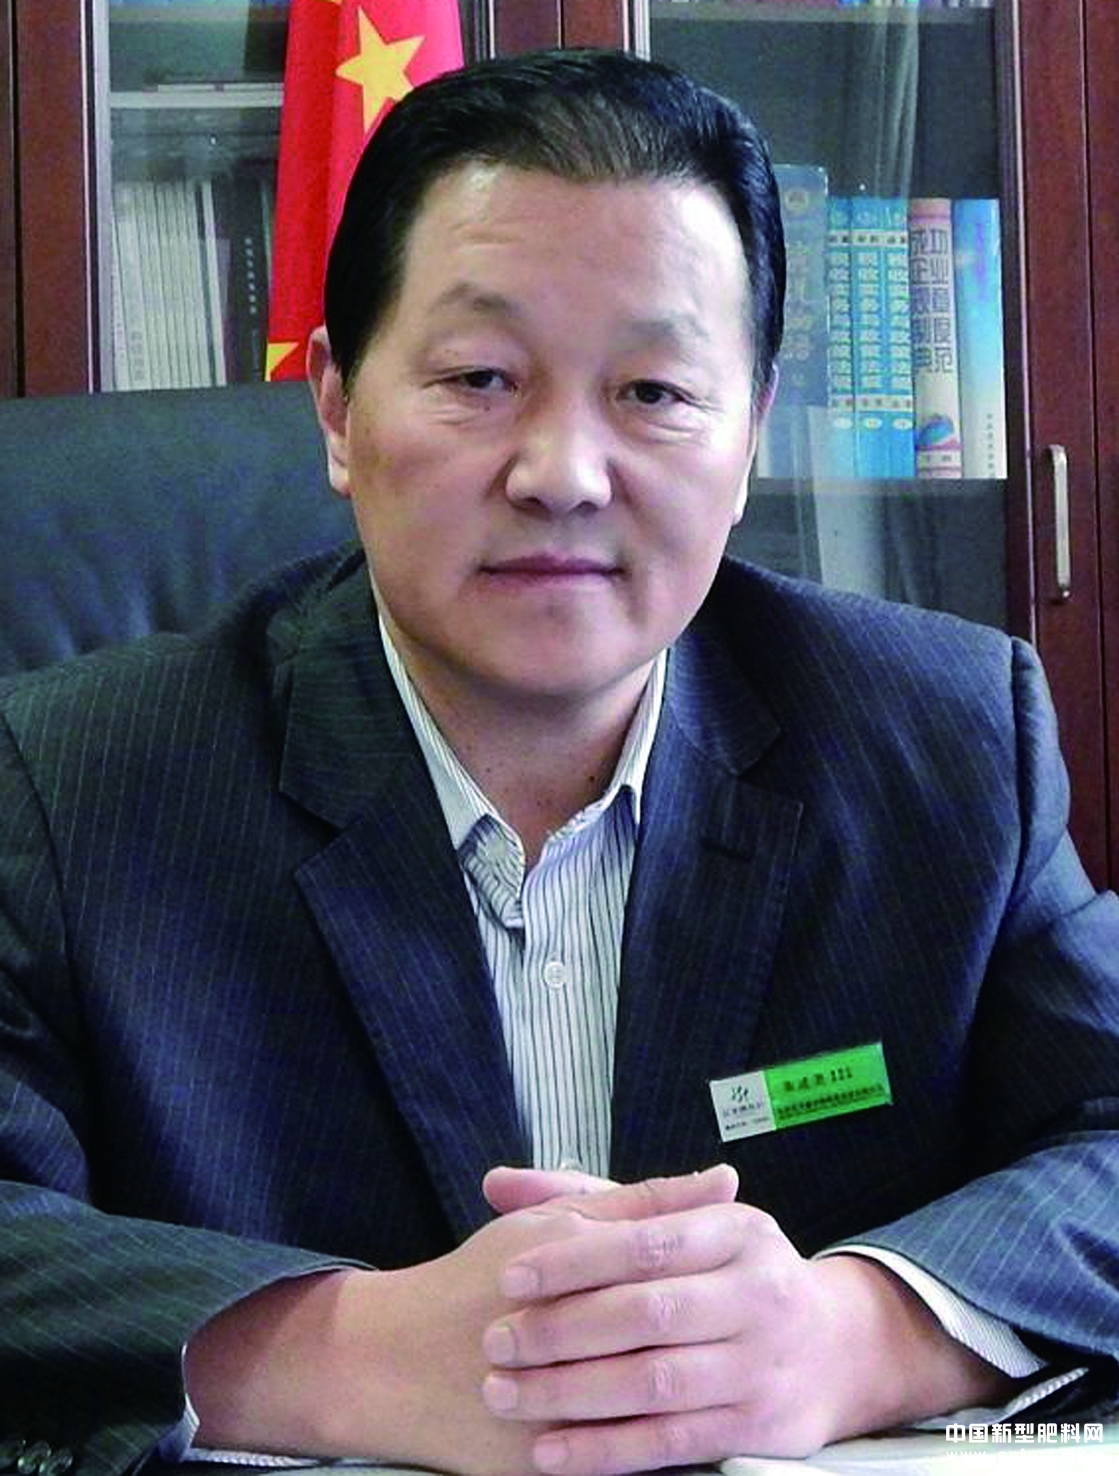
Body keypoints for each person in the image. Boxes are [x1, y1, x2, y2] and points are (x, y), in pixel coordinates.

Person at [1, 46, 1117, 1476]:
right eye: (480, 378)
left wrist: (852, 1336)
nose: (565, 475)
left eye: (654, 391)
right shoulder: (76, 776)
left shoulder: (942, 741)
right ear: (337, 407)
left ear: (753, 433)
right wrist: (344, 1352)